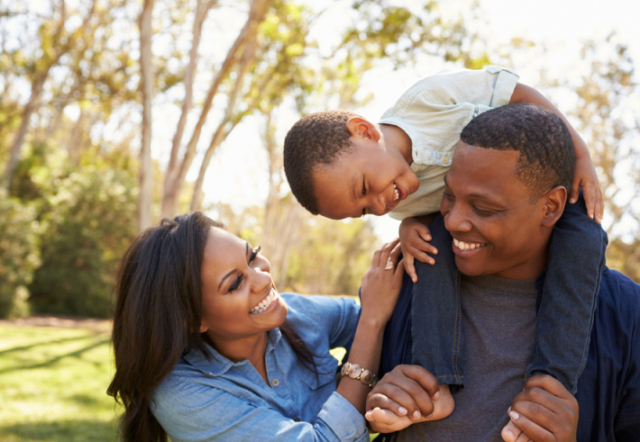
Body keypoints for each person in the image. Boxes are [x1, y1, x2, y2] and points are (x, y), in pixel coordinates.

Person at [283, 66, 607, 438]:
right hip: (471, 229)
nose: (380, 204)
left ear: (365, 131)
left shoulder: (428, 100)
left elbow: (519, 94)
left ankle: (550, 385)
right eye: (365, 210)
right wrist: (407, 228)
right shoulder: (401, 201)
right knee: (429, 252)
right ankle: (436, 381)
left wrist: (579, 154)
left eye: (365, 187)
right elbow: (428, 214)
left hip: (540, 184)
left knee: (585, 238)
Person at [364, 103, 640, 442]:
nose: (452, 221)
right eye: (449, 196)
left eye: (483, 208)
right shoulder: (405, 282)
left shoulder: (627, 316)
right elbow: (344, 407)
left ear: (550, 206)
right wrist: (377, 401)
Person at [107, 212, 424, 442]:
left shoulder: (297, 314)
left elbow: (393, 322)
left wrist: (413, 225)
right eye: (235, 284)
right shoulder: (183, 395)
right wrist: (371, 323)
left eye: (253, 257)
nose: (263, 278)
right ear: (192, 320)